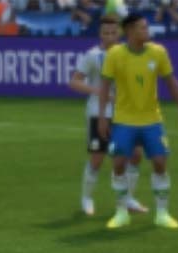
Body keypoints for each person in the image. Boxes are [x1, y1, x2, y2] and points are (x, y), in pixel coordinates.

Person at [97, 12, 178, 230]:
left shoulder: (158, 52)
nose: (147, 31)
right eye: (142, 28)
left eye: (146, 27)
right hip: (123, 120)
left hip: (152, 119)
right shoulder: (115, 54)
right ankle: (121, 212)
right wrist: (103, 117)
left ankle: (162, 213)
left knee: (160, 163)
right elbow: (104, 86)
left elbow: (171, 81)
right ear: (130, 31)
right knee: (118, 164)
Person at [69, 14, 148, 217]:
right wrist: (99, 92)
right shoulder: (92, 55)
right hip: (99, 111)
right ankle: (87, 198)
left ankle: (128, 199)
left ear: (119, 33)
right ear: (100, 33)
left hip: (125, 112)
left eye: (113, 33)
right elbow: (74, 81)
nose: (110, 37)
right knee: (98, 158)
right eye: (106, 33)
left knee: (136, 154)